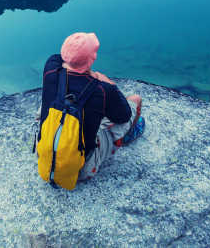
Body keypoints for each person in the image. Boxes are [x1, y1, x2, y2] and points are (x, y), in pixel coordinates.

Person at [37, 32, 145, 182]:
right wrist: (110, 84)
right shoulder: (103, 89)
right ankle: (126, 137)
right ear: (91, 60)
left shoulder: (50, 68)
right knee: (135, 101)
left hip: (45, 156)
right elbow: (124, 115)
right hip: (81, 168)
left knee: (49, 102)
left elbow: (59, 58)